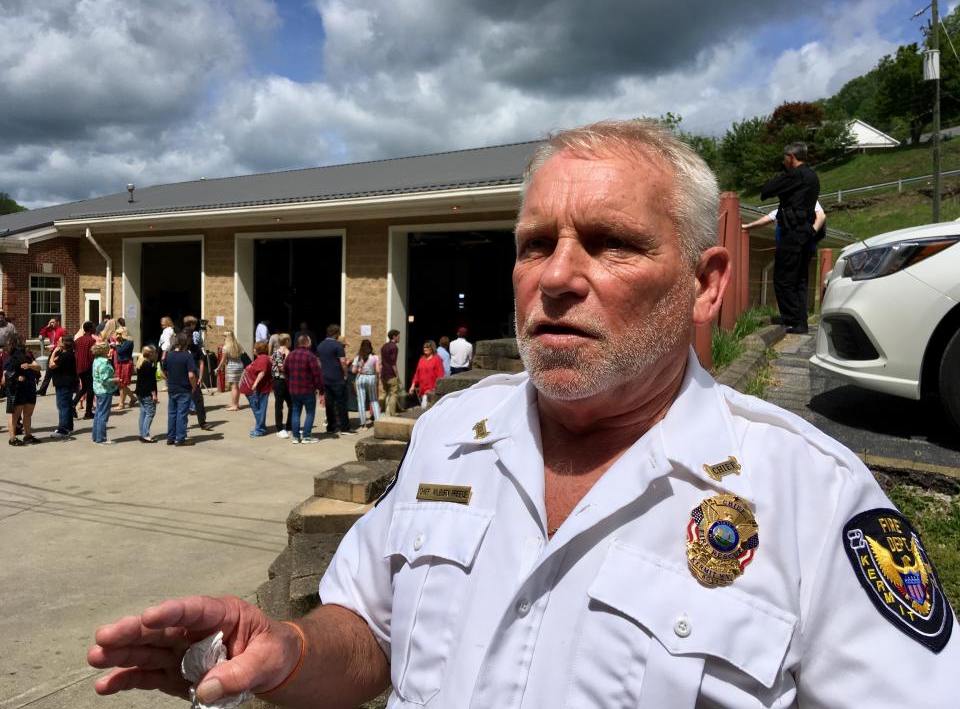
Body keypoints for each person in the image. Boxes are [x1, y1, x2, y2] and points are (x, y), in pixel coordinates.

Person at [88, 120, 959, 707]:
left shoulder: (813, 496)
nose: (555, 276)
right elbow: (369, 626)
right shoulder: (448, 437)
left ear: (706, 283)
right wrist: (287, 650)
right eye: (536, 244)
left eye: (611, 242)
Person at [760, 142, 820, 334]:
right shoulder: (813, 176)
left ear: (791, 157)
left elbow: (767, 190)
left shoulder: (796, 175)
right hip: (806, 234)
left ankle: (792, 321)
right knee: (799, 279)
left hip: (792, 234)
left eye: (784, 157)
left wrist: (782, 179)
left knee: (784, 278)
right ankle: (800, 321)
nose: (782, 160)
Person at [284, 334, 322, 444]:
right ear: (307, 343)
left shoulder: (291, 355)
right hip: (308, 389)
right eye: (309, 342)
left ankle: (296, 437)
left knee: (295, 411)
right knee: (310, 412)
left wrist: (289, 384)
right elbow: (317, 374)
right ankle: (306, 436)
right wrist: (319, 387)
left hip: (294, 389)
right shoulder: (310, 356)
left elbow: (285, 371)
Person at [161, 333, 197, 446]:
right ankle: (180, 438)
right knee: (182, 414)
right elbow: (191, 375)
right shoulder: (187, 356)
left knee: (172, 413)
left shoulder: (169, 355)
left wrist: (169, 379)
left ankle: (170, 437)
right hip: (184, 388)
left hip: (172, 387)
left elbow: (162, 371)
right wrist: (194, 386)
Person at [4, 334, 41, 446]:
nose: (25, 344)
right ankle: (12, 438)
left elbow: (38, 367)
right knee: (15, 415)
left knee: (28, 414)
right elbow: (6, 374)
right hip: (17, 389)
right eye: (22, 341)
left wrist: (29, 365)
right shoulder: (9, 358)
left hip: (29, 387)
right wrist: (16, 377)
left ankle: (28, 436)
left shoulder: (28, 356)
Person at [317, 324, 353, 435]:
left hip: (325, 378)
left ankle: (331, 428)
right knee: (341, 403)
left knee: (329, 403)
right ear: (337, 333)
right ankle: (345, 428)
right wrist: (346, 374)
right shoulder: (338, 345)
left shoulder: (320, 345)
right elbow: (343, 362)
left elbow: (318, 362)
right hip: (337, 378)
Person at [47, 335, 78, 439]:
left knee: (62, 407)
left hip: (63, 384)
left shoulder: (65, 355)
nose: (57, 342)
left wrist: (53, 353)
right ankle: (68, 427)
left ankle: (63, 430)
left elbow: (51, 365)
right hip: (67, 383)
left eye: (60, 341)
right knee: (67, 406)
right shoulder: (67, 354)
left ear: (65, 344)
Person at [242, 340, 272, 438]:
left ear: (257, 349)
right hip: (254, 389)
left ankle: (259, 429)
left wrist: (255, 384)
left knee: (259, 409)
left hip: (260, 389)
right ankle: (261, 427)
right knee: (257, 409)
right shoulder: (259, 358)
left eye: (254, 348)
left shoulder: (263, 358)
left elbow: (262, 372)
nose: (253, 349)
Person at [90, 341, 117, 445]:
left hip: (97, 389)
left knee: (98, 414)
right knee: (103, 415)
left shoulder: (96, 360)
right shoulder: (104, 362)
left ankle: (96, 437)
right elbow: (105, 379)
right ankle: (101, 438)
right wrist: (115, 379)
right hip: (104, 390)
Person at [186, 331, 213, 432]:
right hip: (182, 379)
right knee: (182, 403)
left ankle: (203, 422)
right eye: (188, 338)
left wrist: (201, 377)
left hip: (194, 377)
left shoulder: (195, 348)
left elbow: (201, 362)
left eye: (190, 338)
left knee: (198, 400)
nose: (189, 340)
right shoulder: (178, 348)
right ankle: (179, 425)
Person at [351, 339, 381, 427]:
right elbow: (378, 370)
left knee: (361, 401)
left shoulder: (358, 357)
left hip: (361, 378)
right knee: (374, 400)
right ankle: (378, 421)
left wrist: (359, 370)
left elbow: (353, 370)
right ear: (370, 346)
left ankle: (363, 424)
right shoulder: (375, 357)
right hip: (371, 378)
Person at [134, 346, 159, 443]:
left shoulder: (141, 363)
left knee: (143, 412)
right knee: (150, 413)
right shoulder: (148, 365)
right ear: (151, 354)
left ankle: (142, 433)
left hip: (140, 392)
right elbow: (151, 382)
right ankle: (145, 434)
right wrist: (154, 395)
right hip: (147, 392)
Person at [409, 339, 444, 408]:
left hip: (431, 389)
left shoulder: (437, 359)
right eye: (424, 347)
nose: (425, 349)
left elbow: (440, 375)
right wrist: (412, 386)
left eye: (427, 347)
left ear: (432, 348)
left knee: (424, 407)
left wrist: (436, 389)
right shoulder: (421, 359)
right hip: (422, 389)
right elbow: (417, 374)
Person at [73, 321, 97, 420]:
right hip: (88, 367)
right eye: (94, 327)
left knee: (84, 388)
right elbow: (92, 356)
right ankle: (88, 412)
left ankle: (72, 404)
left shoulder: (78, 340)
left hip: (79, 367)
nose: (95, 329)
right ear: (90, 329)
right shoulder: (91, 340)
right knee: (90, 390)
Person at [215, 331, 245, 411]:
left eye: (224, 336)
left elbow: (223, 360)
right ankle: (236, 404)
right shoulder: (238, 345)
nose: (223, 338)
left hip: (232, 367)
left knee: (233, 387)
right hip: (239, 366)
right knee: (236, 386)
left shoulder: (226, 347)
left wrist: (218, 368)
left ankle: (234, 405)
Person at [271, 333, 294, 438]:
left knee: (292, 404)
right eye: (290, 340)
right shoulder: (277, 353)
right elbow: (282, 368)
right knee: (279, 405)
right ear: (287, 341)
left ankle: (290, 427)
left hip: (288, 381)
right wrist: (288, 356)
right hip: (279, 381)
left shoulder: (288, 352)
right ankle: (279, 428)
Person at [37, 317, 66, 395]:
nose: (52, 324)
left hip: (58, 351)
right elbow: (41, 333)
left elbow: (63, 341)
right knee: (49, 371)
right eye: (51, 322)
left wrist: (54, 346)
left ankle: (44, 389)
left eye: (53, 322)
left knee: (55, 371)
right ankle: (42, 390)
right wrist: (47, 326)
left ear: (57, 322)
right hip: (52, 352)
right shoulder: (50, 330)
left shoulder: (61, 330)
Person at [111, 327, 136, 410]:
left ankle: (121, 404)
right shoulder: (122, 342)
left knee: (122, 384)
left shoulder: (129, 342)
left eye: (119, 333)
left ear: (124, 333)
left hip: (126, 364)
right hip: (120, 363)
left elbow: (121, 351)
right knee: (121, 384)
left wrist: (117, 344)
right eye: (117, 333)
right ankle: (133, 398)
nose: (118, 335)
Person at [379, 329, 401, 416]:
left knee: (384, 392)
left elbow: (382, 361)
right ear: (394, 336)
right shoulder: (394, 347)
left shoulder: (384, 346)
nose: (399, 338)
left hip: (384, 373)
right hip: (391, 374)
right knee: (393, 394)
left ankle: (378, 410)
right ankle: (392, 413)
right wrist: (397, 375)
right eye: (398, 336)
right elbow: (393, 363)